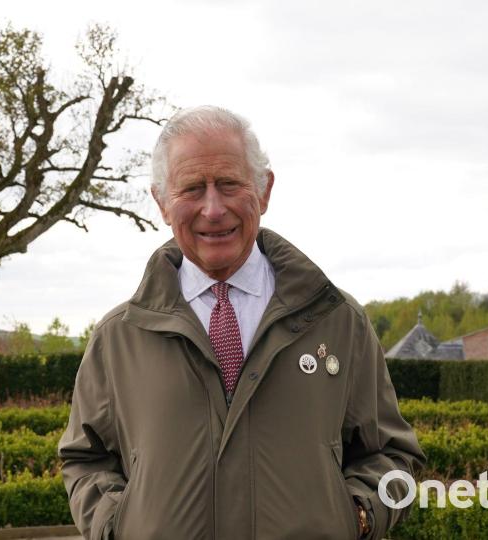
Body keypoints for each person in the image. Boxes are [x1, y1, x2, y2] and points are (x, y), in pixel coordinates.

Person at [58, 105, 425, 539]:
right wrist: (115, 527)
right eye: (192, 188)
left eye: (230, 184)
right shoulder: (120, 336)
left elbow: (392, 454)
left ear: (264, 191)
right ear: (161, 202)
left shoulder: (338, 322)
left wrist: (358, 518)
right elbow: (86, 459)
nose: (213, 209)